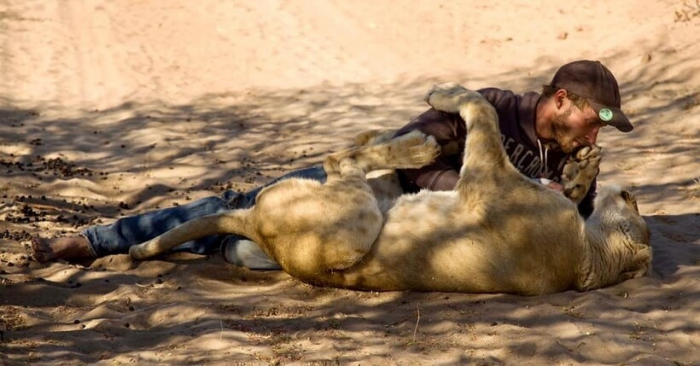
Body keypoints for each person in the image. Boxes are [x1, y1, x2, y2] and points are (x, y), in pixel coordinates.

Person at [31, 60, 634, 269]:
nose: (599, 133)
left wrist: (563, 199)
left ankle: (219, 249)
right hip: (376, 191)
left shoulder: (576, 155)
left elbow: (570, 229)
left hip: (429, 242)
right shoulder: (493, 111)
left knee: (255, 251)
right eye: (599, 118)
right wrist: (481, 190)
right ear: (563, 102)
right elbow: (409, 151)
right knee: (238, 209)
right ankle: (96, 240)